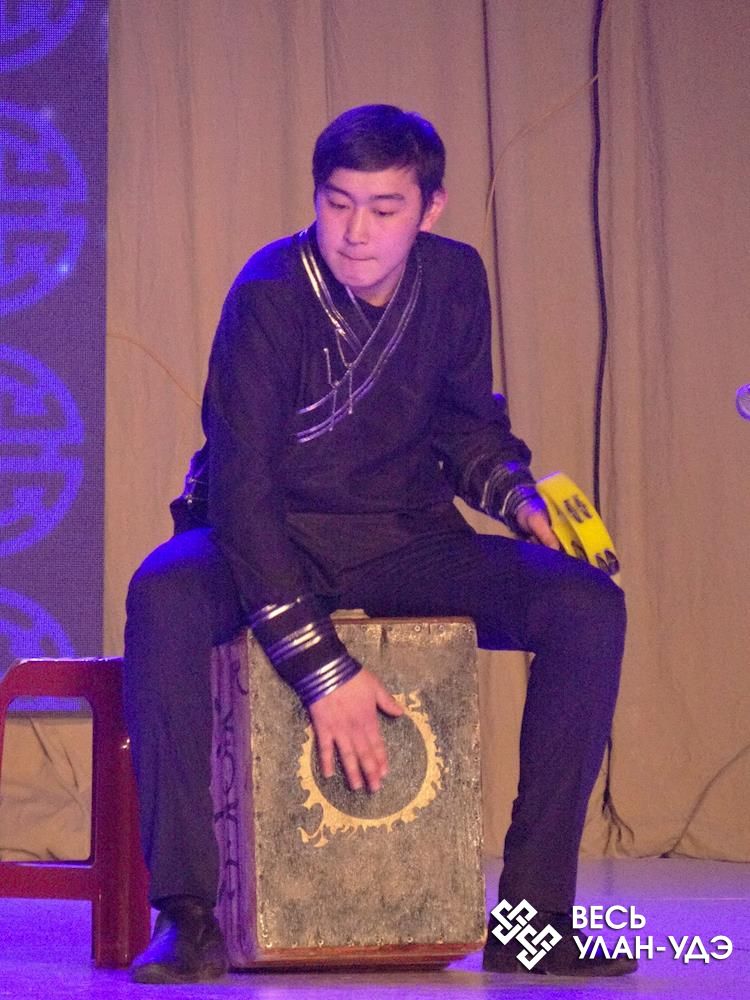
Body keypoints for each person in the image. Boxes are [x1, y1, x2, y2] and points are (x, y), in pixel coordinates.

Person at [123, 104, 634, 984]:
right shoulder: (268, 293)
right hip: (266, 534)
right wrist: (324, 672)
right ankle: (189, 914)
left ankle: (533, 922)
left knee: (587, 607)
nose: (356, 232)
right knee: (163, 594)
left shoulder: (456, 279)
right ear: (317, 199)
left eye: (385, 208)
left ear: (430, 208)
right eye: (338, 203)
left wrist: (519, 501)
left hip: (401, 536)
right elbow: (243, 490)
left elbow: (466, 429)